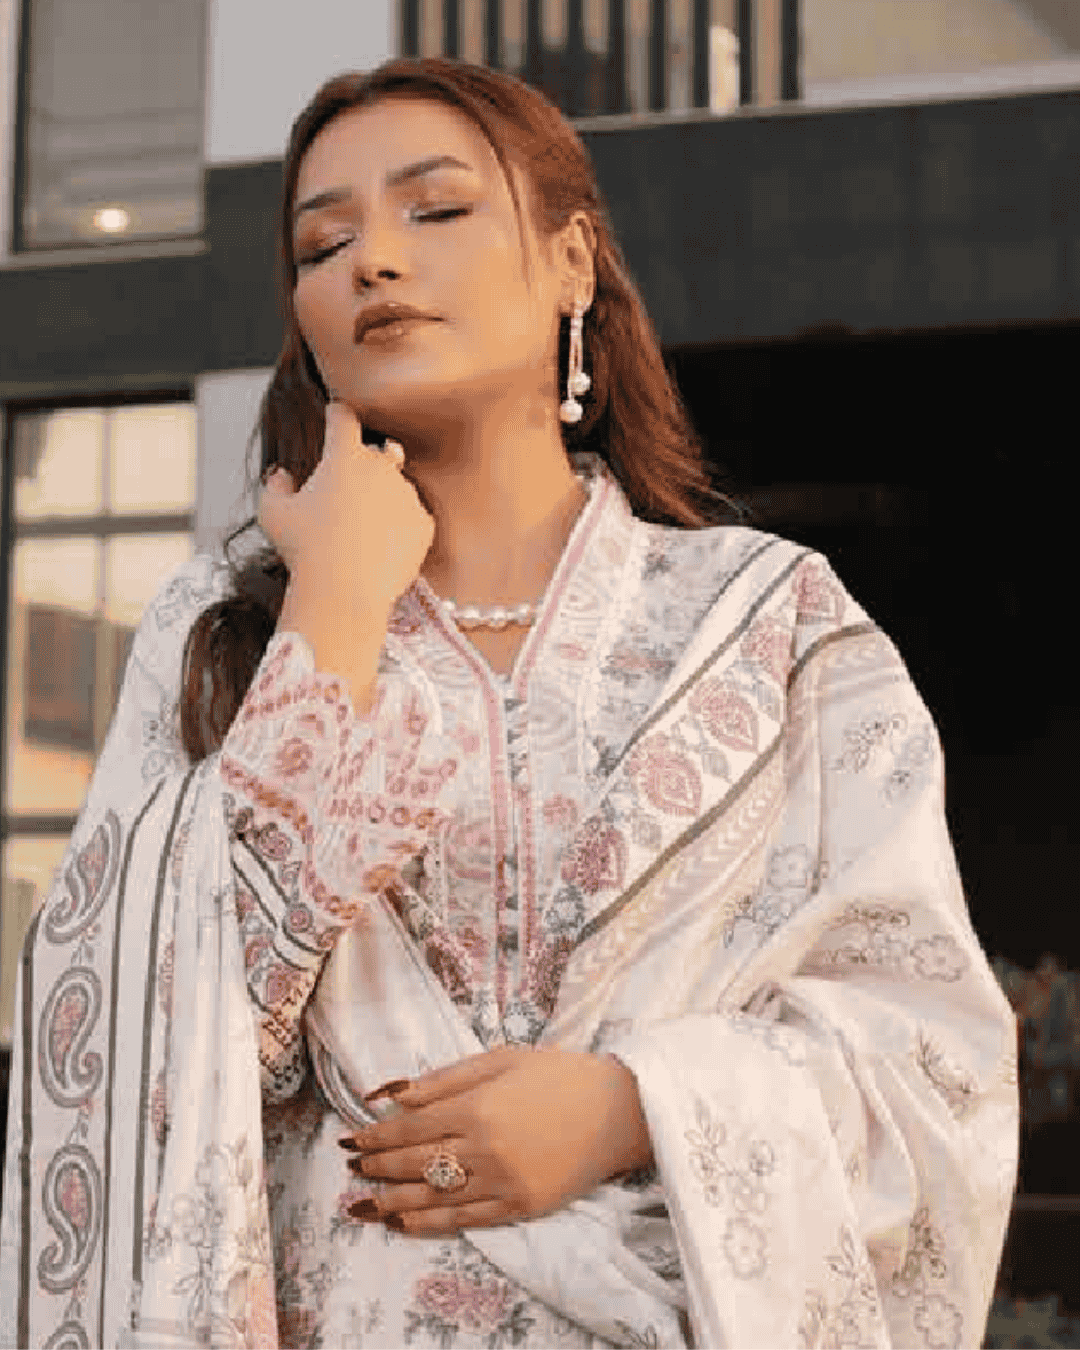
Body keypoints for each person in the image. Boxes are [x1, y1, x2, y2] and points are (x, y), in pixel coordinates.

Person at [0, 56, 1018, 1349]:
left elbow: (934, 1055)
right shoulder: (216, 631)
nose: (373, 260)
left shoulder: (777, 626)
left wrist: (630, 1106)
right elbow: (130, 1048)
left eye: (434, 210)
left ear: (571, 261)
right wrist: (333, 611)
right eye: (323, 245)